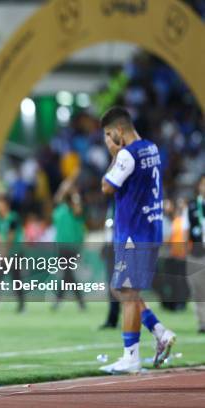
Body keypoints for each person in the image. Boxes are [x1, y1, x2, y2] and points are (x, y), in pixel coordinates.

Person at [98, 106, 175, 374]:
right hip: (149, 228)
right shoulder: (151, 148)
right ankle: (159, 330)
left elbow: (107, 186)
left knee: (127, 292)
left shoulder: (126, 155)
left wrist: (113, 155)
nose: (108, 140)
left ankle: (131, 357)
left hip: (134, 232)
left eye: (109, 134)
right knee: (119, 288)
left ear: (119, 131)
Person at [51, 175, 86, 310]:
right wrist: (65, 186)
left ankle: (60, 301)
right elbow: (57, 198)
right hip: (61, 245)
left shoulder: (74, 210)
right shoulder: (60, 210)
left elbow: (78, 208)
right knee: (68, 274)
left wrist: (73, 191)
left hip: (72, 246)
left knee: (67, 273)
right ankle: (79, 302)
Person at [0, 194, 25, 312]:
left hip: (14, 252)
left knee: (16, 279)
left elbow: (11, 236)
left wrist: (4, 252)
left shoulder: (13, 217)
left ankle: (21, 306)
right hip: (3, 253)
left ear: (6, 205)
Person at [186, 174, 205, 333]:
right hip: (197, 253)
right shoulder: (192, 206)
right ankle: (202, 323)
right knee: (198, 290)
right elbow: (186, 232)